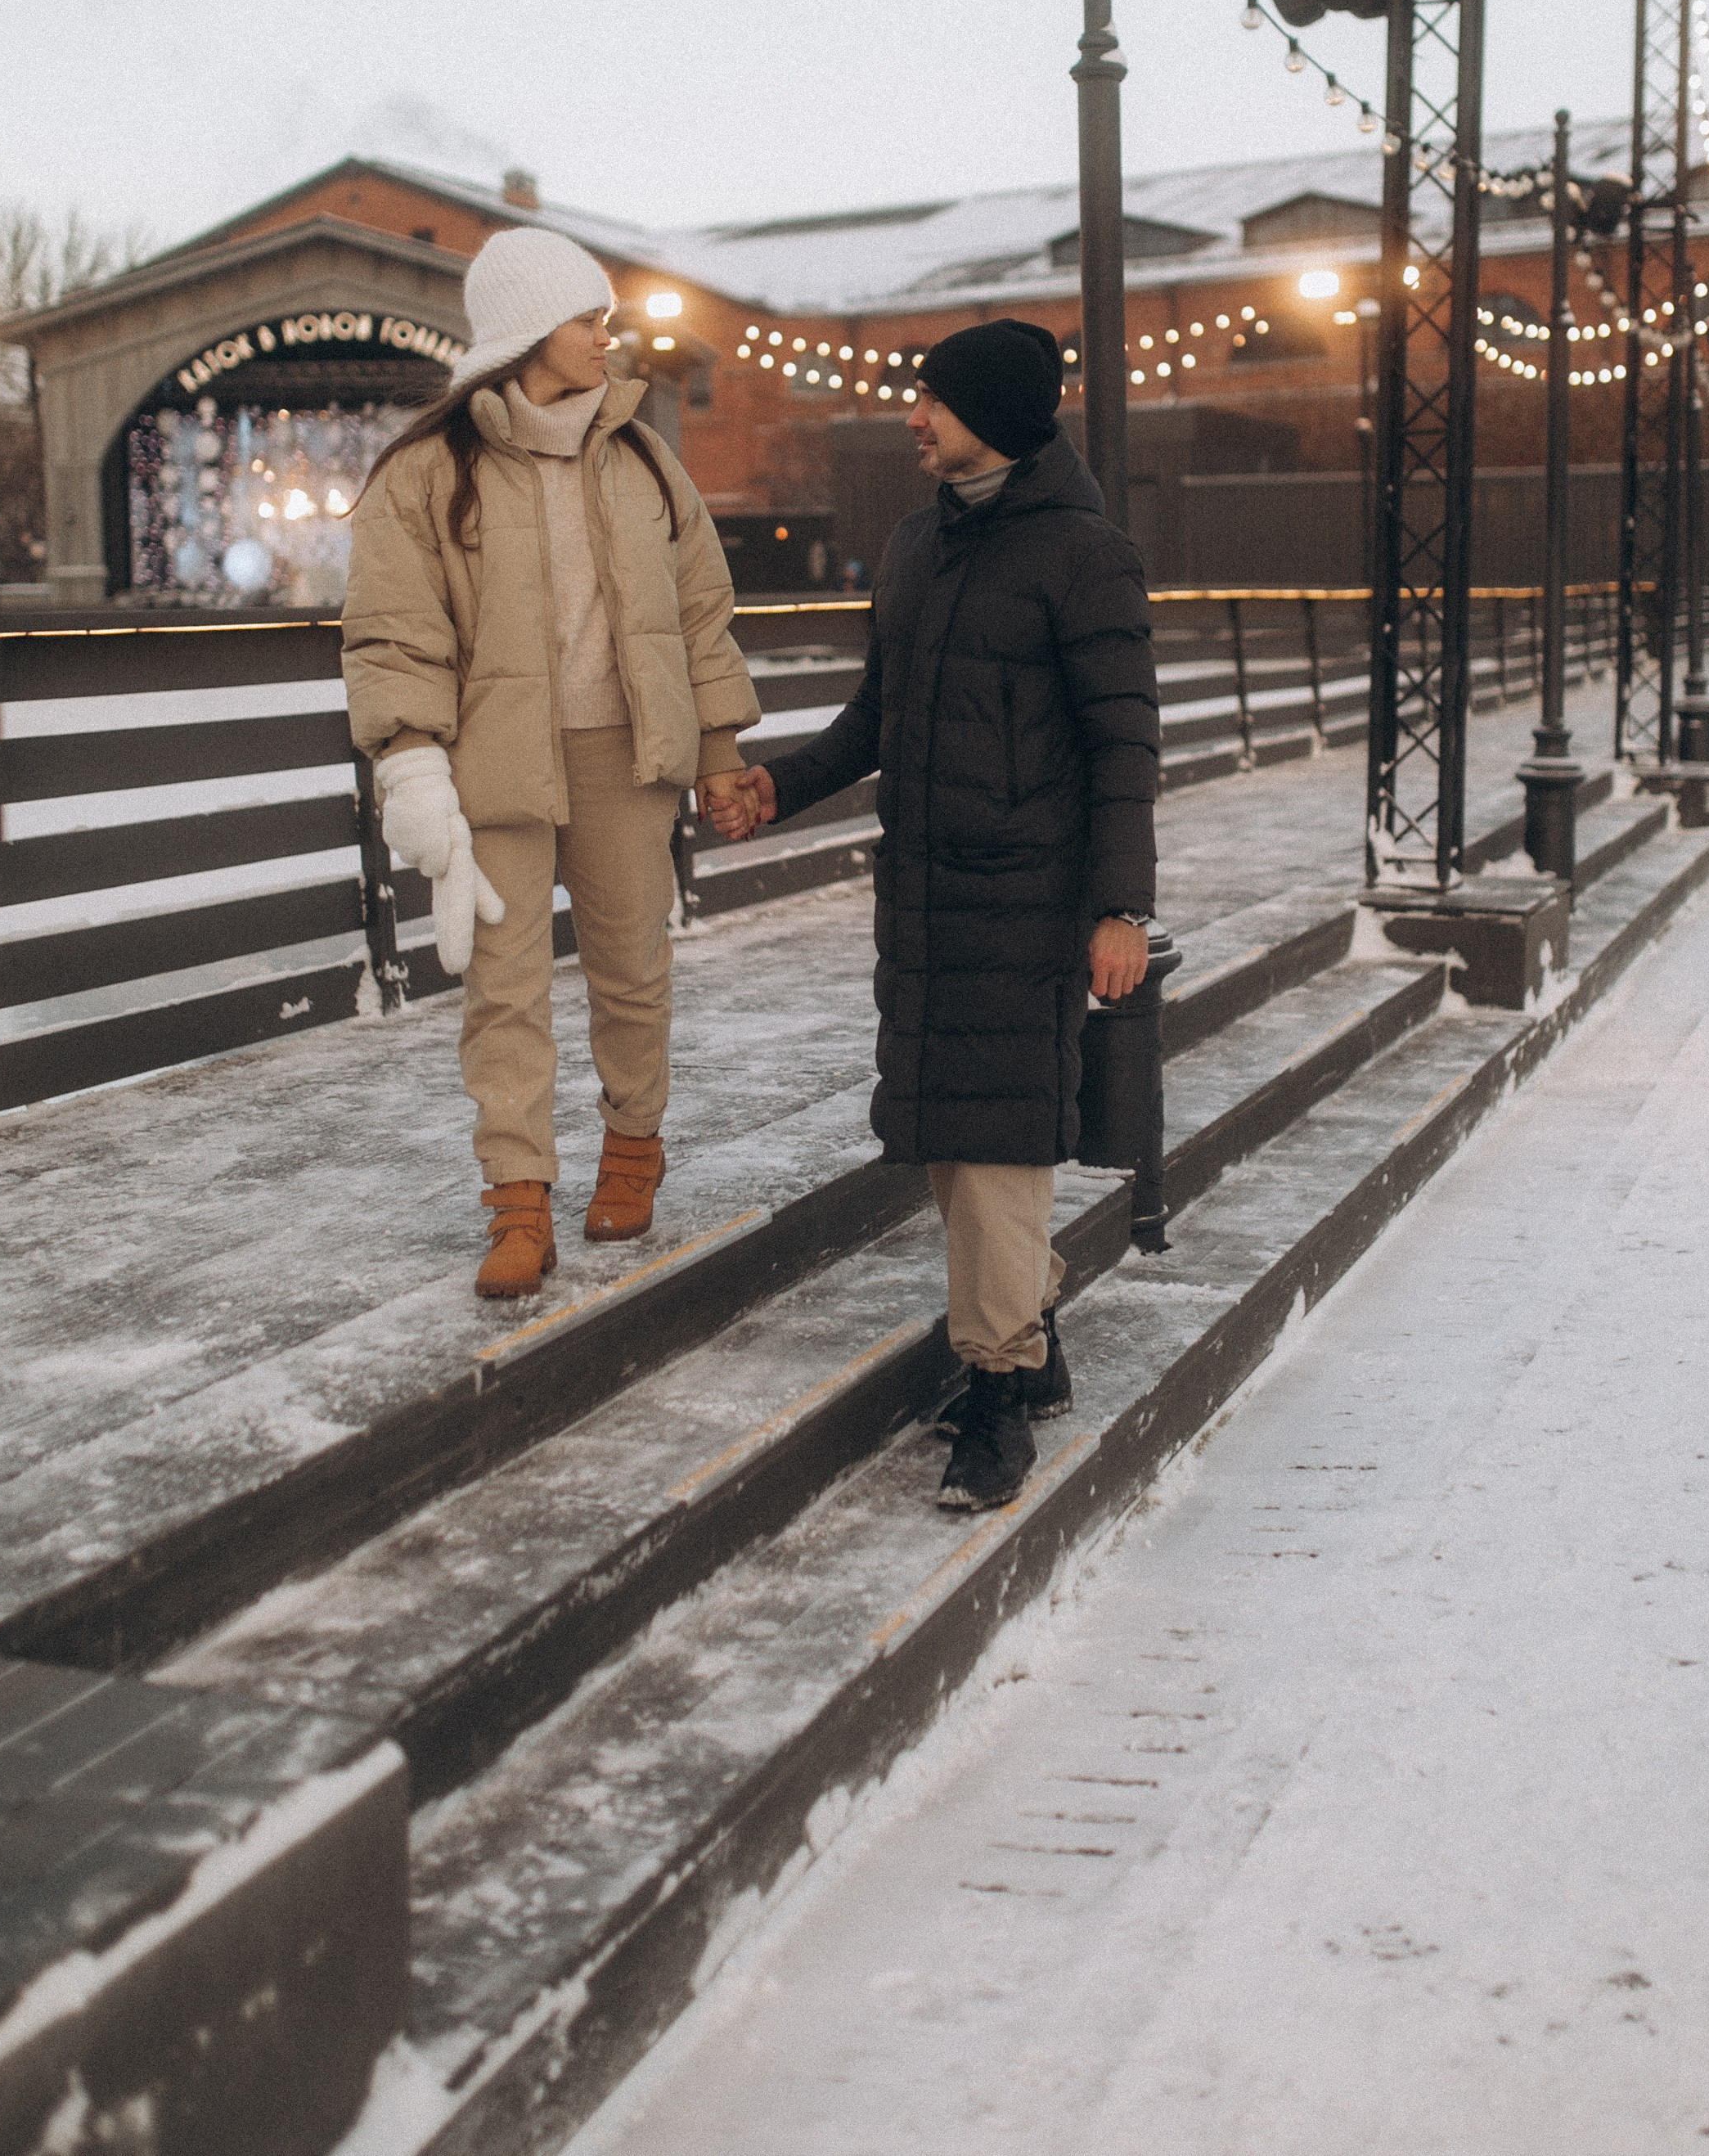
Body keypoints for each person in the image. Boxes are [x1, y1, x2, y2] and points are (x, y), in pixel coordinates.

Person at [708, 317, 1159, 1512]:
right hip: (924, 897)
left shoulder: (1086, 557)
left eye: (935, 401)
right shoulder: (917, 543)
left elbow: (1122, 750)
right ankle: (1031, 1336)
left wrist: (1121, 906)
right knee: (957, 1146)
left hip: (1027, 898)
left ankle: (1000, 1388)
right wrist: (780, 786)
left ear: (995, 417)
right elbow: (878, 714)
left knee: (999, 1148)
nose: (913, 417)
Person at [344, 227, 760, 1299]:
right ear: (530, 331)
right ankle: (518, 1199)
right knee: (505, 990)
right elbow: (393, 633)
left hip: (627, 758)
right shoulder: (429, 473)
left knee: (633, 973)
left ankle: (633, 1147)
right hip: (496, 766)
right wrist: (411, 762)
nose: (607, 338)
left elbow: (701, 614)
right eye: (588, 320)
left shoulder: (644, 460)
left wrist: (718, 749)